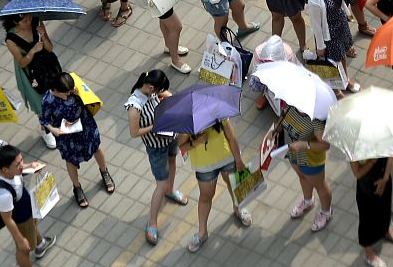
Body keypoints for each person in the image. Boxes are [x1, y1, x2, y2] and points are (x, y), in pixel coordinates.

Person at [126, 69, 188, 245]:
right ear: (150, 87)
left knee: (173, 161)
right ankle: (152, 222)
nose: (159, 93)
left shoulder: (152, 89)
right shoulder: (134, 106)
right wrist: (155, 126)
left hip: (169, 136)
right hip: (155, 147)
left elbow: (165, 94)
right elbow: (134, 132)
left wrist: (172, 99)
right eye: (158, 90)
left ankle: (171, 190)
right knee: (160, 184)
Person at [40, 73, 113, 209]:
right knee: (71, 160)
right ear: (55, 89)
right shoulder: (47, 100)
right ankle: (77, 188)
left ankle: (104, 172)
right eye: (65, 93)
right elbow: (43, 119)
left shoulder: (72, 88)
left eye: (70, 91)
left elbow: (88, 98)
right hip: (67, 136)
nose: (68, 95)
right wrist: (53, 129)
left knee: (96, 147)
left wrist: (79, 94)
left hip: (85, 125)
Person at [178, 117, 251, 251]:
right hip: (204, 167)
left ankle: (238, 208)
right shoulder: (188, 123)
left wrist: (238, 160)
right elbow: (181, 145)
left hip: (227, 159)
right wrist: (197, 142)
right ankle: (202, 232)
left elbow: (232, 137)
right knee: (206, 196)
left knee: (234, 185)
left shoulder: (218, 113)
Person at [0, 146, 58, 267]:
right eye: (18, 164)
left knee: (33, 225)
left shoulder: (4, 168)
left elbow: (20, 171)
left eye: (22, 160)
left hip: (27, 207)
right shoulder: (3, 195)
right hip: (20, 219)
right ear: (5, 170)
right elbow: (7, 219)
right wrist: (20, 240)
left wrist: (30, 167)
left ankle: (40, 245)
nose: (22, 165)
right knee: (24, 251)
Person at [2, 12, 61, 149]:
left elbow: (50, 48)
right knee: (41, 103)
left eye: (29, 18)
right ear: (15, 22)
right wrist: (32, 51)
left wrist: (44, 35)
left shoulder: (37, 22)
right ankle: (45, 130)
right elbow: (22, 63)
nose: (29, 21)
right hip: (31, 73)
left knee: (57, 93)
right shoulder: (11, 39)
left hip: (48, 66)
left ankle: (57, 121)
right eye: (24, 21)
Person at [307, 0, 360, 92]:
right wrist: (320, 46)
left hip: (341, 25)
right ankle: (337, 89)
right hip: (329, 34)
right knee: (334, 62)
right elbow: (316, 26)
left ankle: (345, 80)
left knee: (342, 56)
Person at [283, 103, 334, 233]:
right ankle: (308, 201)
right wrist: (276, 130)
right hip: (293, 154)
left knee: (320, 186)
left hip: (310, 160)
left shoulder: (316, 120)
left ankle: (325, 212)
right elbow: (284, 119)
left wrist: (305, 144)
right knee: (302, 177)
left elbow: (325, 145)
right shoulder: (291, 106)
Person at [352, 155, 393, 267]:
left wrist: (385, 179)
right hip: (367, 187)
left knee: (385, 208)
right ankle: (369, 253)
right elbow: (357, 173)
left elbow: (390, 155)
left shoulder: (382, 137)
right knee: (367, 220)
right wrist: (371, 162)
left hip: (384, 179)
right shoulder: (355, 148)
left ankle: (386, 230)